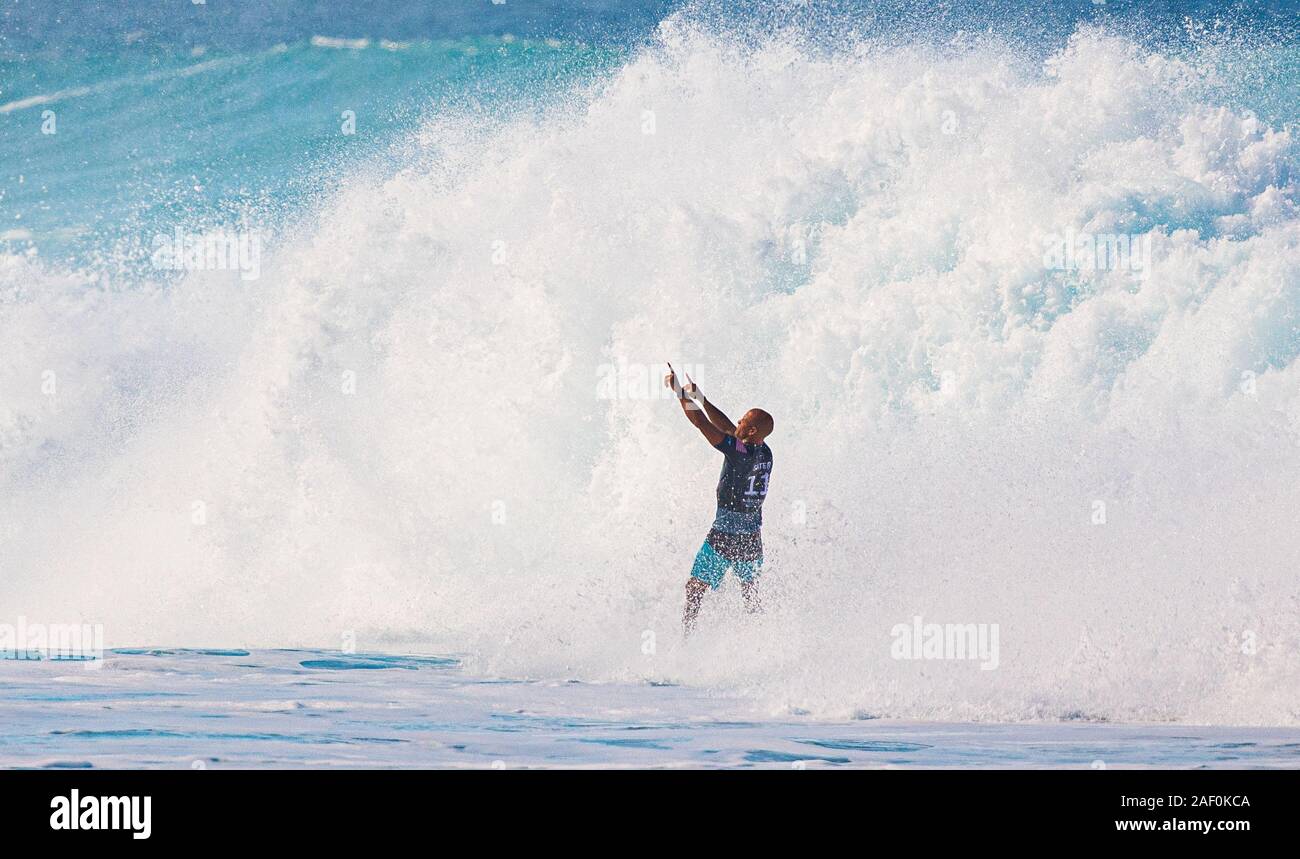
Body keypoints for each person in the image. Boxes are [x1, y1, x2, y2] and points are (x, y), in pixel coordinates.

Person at [664, 366, 774, 634]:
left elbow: (702, 424)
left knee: (695, 588)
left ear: (751, 431)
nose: (738, 422)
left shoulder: (740, 453)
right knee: (749, 593)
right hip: (751, 536)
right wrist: (701, 398)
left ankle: (686, 638)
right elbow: (727, 428)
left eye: (743, 422)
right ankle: (760, 637)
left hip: (726, 533)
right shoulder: (763, 450)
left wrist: (679, 393)